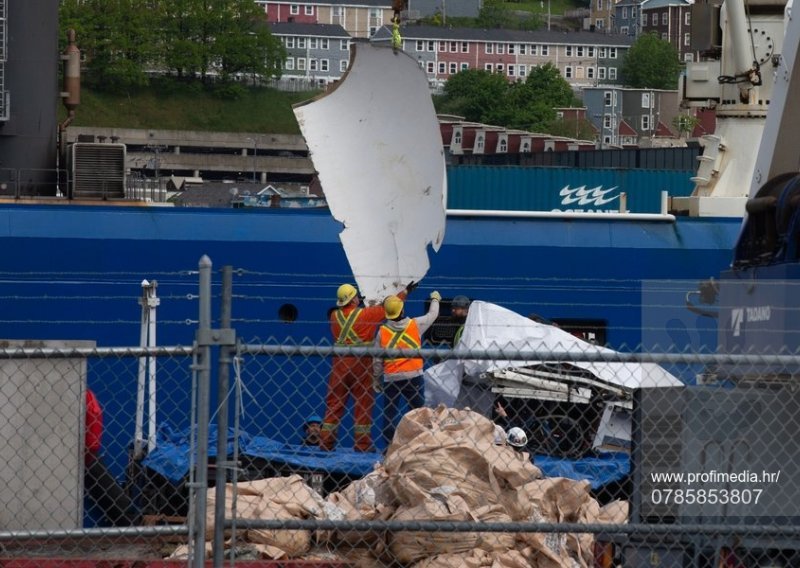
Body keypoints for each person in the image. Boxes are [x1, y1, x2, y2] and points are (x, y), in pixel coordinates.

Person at [320, 281, 415, 451]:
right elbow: (388, 308)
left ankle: (326, 443)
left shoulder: (334, 316)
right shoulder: (365, 315)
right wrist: (405, 291)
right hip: (361, 364)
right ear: (353, 300)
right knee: (362, 403)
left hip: (339, 364)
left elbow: (350, 318)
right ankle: (362, 445)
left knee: (334, 403)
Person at [373, 291, 440, 448]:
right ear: (402, 310)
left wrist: (376, 379)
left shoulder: (382, 332)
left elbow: (377, 359)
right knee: (420, 412)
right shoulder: (415, 325)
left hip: (392, 378)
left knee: (390, 414)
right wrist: (435, 299)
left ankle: (390, 446)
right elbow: (433, 314)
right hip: (413, 376)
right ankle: (424, 443)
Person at [84, 389, 139, 526]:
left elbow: (93, 415)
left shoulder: (83, 395)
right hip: (87, 453)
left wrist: (89, 449)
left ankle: (129, 521)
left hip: (86, 454)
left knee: (101, 482)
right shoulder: (85, 394)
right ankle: (129, 521)